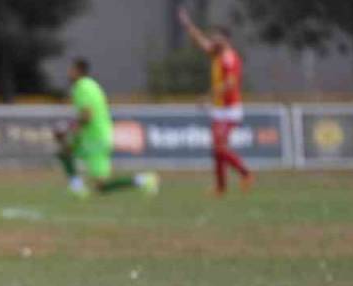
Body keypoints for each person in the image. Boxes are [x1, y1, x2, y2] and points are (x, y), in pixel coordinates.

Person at [55, 58, 158, 198]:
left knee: (101, 185)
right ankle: (77, 187)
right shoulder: (91, 85)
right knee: (65, 151)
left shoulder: (81, 87)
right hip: (92, 134)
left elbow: (87, 116)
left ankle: (144, 180)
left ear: (78, 71)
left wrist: (67, 128)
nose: (68, 73)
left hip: (95, 137)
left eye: (71, 70)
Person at [179, 7, 252, 196]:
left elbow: (230, 84)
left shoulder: (229, 58)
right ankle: (221, 187)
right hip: (219, 110)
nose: (213, 39)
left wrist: (208, 96)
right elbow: (201, 41)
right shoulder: (217, 53)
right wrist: (188, 25)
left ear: (225, 39)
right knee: (217, 150)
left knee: (219, 148)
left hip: (229, 110)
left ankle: (245, 173)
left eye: (216, 37)